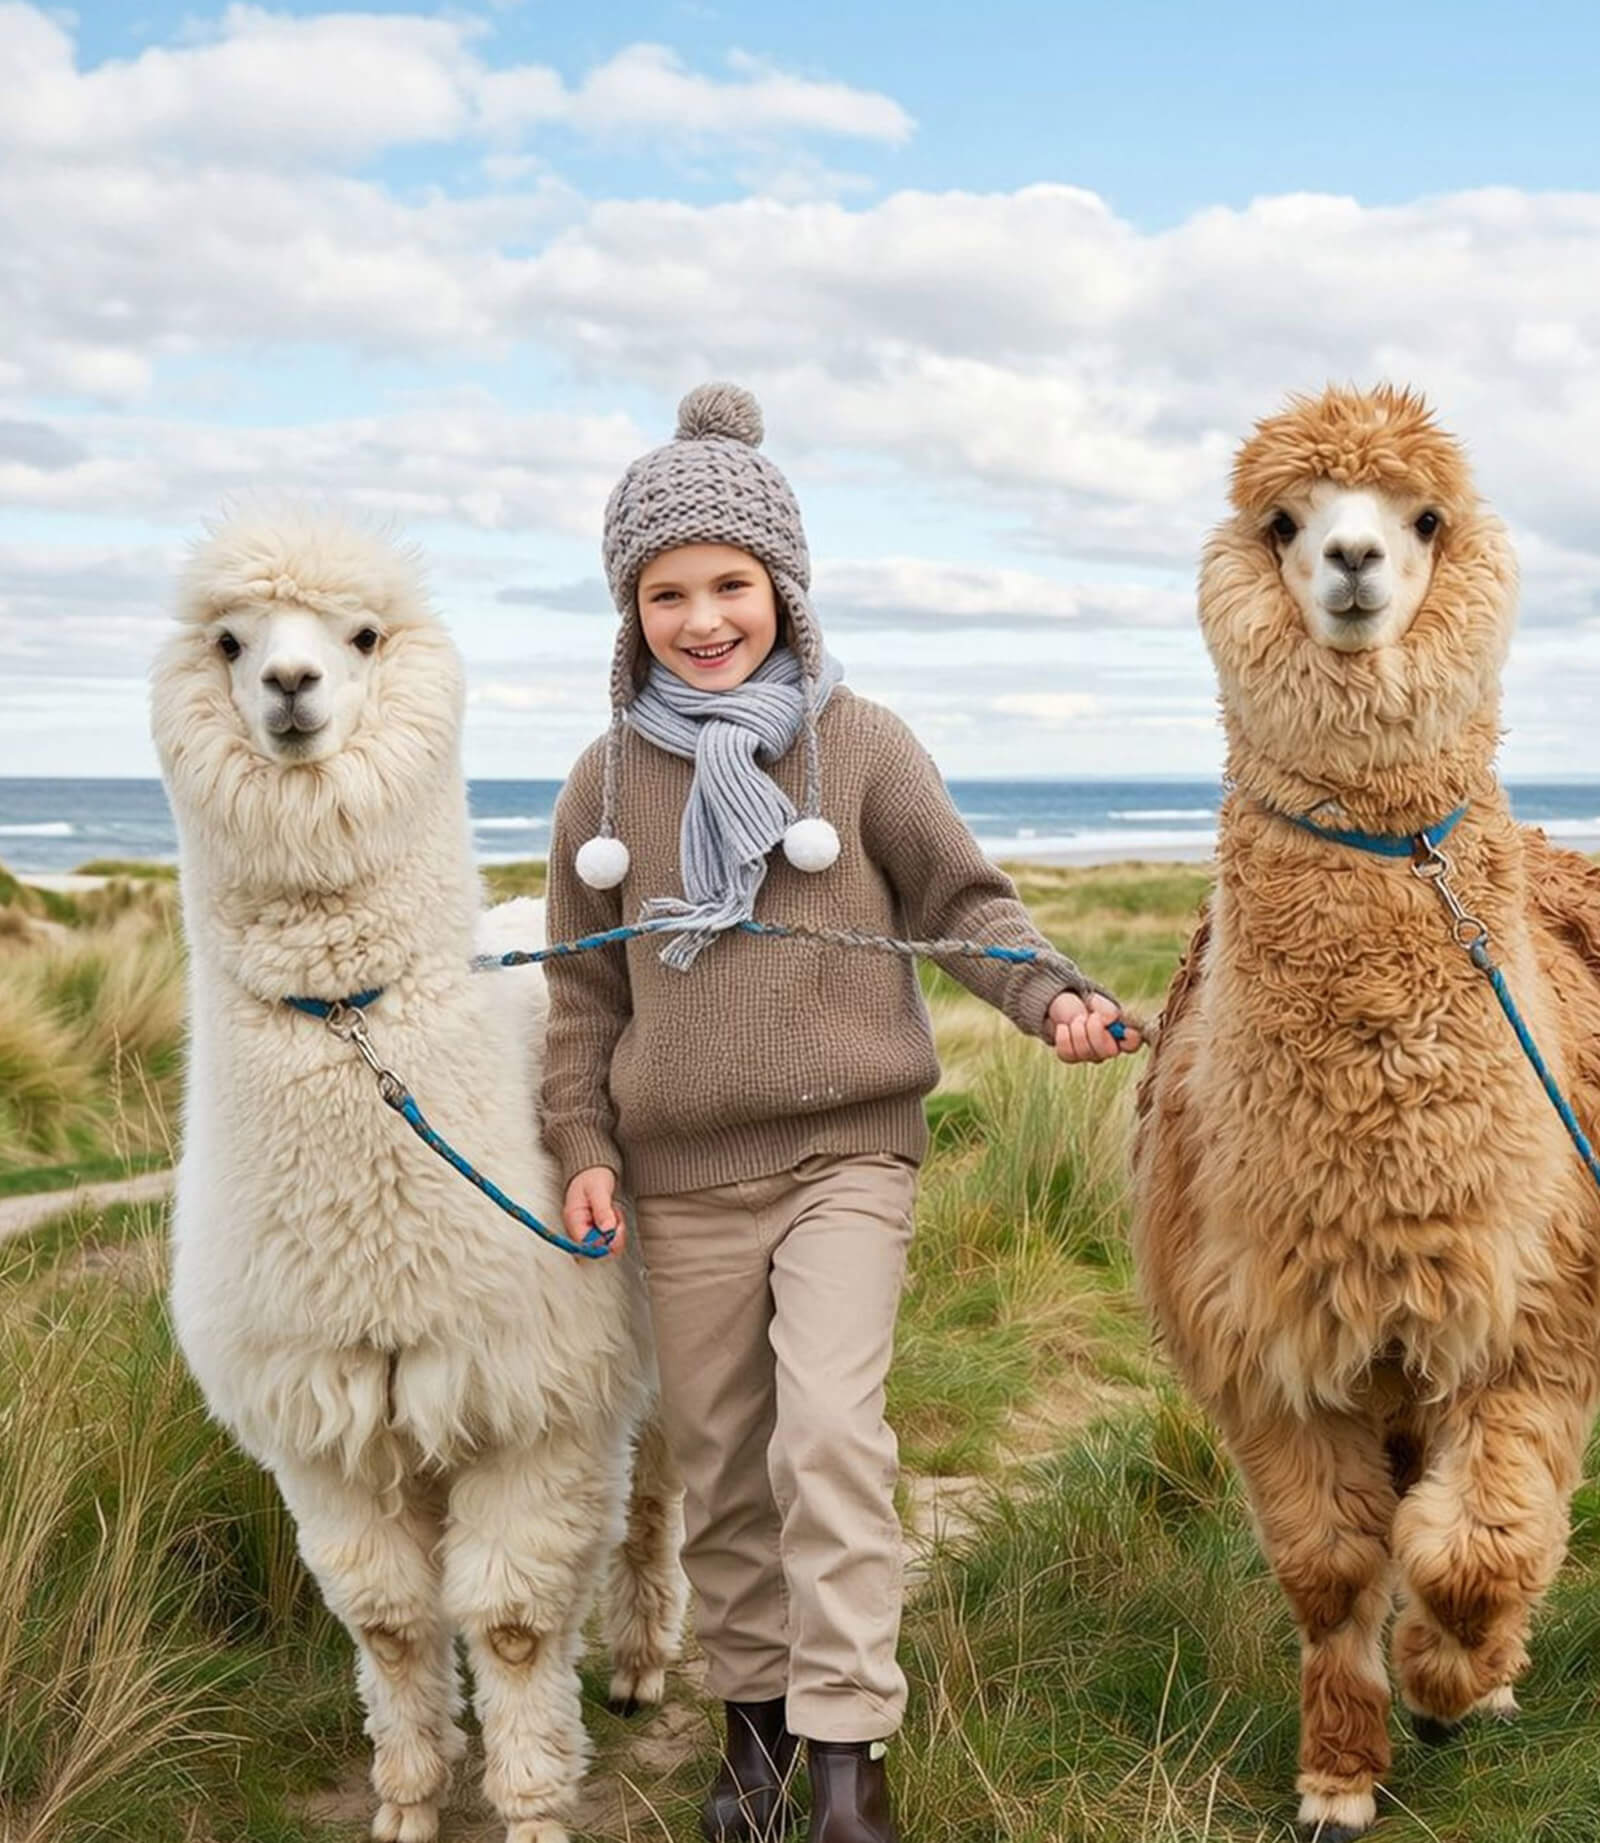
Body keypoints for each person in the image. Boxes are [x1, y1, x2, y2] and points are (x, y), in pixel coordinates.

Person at [540, 382, 1140, 1843]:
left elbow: (963, 902)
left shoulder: (859, 744)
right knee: (726, 1473)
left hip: (845, 1156)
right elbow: (581, 1011)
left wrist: (1047, 995)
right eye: (667, 592)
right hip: (678, 1182)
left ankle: (844, 1769)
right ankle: (746, 1744)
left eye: (729, 585)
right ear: (632, 610)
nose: (702, 618)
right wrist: (584, 1152)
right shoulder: (603, 785)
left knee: (827, 1438)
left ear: (783, 590)